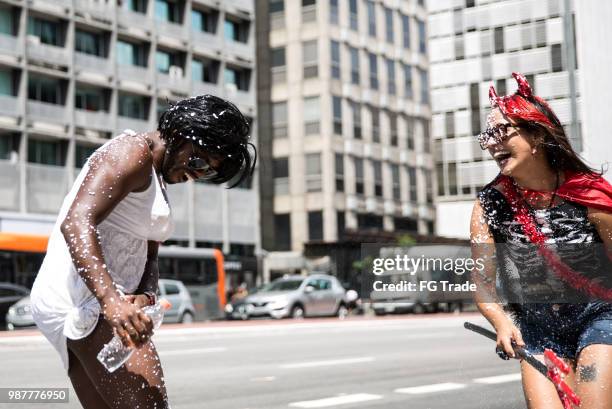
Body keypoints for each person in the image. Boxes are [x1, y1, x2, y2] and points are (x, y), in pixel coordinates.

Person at [30, 95, 256, 409]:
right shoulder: (131, 153)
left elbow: (149, 255)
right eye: (198, 162)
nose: (195, 175)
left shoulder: (157, 180)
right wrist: (110, 301)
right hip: (87, 300)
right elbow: (77, 222)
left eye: (205, 173)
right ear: (180, 134)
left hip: (94, 299)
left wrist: (146, 295)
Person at [470, 73, 612, 409]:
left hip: (598, 317)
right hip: (537, 329)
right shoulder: (488, 207)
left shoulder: (589, 196)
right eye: (486, 136)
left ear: (536, 134)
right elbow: (482, 281)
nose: (492, 143)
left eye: (501, 131)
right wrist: (502, 323)